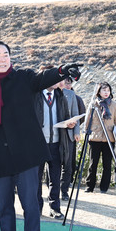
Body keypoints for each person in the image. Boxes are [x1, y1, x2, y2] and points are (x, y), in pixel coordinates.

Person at [0, 40, 81, 231]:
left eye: (6, 54)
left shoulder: (23, 78)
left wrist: (62, 70)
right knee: (4, 204)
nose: (3, 58)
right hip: (0, 155)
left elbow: (43, 78)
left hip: (27, 153)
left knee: (30, 204)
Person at [34, 67, 77, 219]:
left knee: (55, 178)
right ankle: (36, 208)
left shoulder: (60, 96)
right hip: (39, 144)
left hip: (57, 144)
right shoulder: (35, 95)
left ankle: (55, 208)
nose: (58, 80)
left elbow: (66, 116)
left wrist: (69, 124)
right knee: (36, 179)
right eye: (54, 77)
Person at [85, 82, 116, 193]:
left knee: (107, 164)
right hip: (95, 138)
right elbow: (88, 120)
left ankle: (104, 187)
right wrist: (86, 133)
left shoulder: (114, 105)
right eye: (104, 90)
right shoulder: (93, 104)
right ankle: (90, 186)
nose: (106, 93)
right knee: (93, 163)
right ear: (99, 92)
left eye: (108, 90)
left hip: (109, 138)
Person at [58, 77, 83, 201]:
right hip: (54, 133)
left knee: (68, 165)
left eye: (68, 82)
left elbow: (75, 114)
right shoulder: (50, 93)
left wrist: (76, 131)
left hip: (68, 133)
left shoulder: (71, 94)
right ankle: (53, 190)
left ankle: (64, 191)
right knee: (54, 164)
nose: (65, 84)